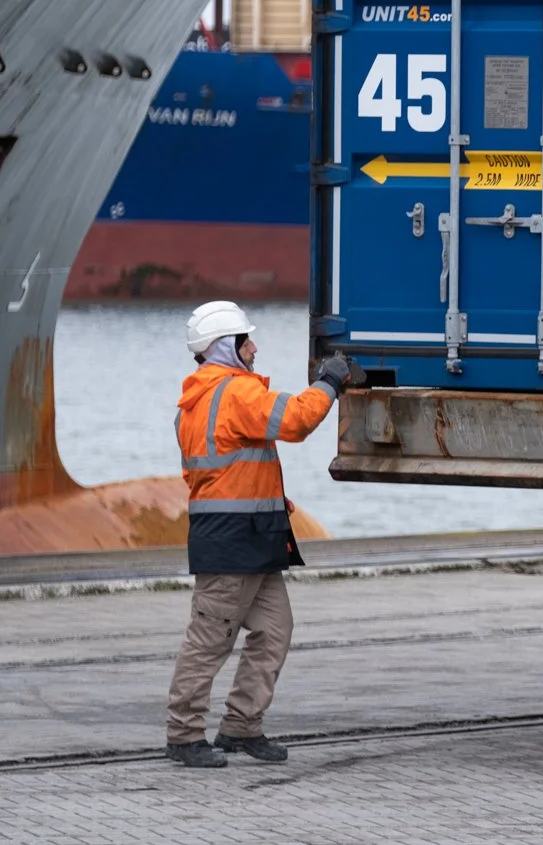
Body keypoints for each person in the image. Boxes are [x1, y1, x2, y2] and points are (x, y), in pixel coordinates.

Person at [164, 301, 350, 769]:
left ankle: (241, 727)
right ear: (226, 347)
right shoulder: (234, 394)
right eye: (247, 340)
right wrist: (329, 380)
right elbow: (296, 420)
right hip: (233, 541)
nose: (255, 347)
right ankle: (184, 735)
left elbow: (219, 472)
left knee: (274, 631)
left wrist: (266, 500)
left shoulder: (198, 401)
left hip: (251, 535)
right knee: (210, 640)